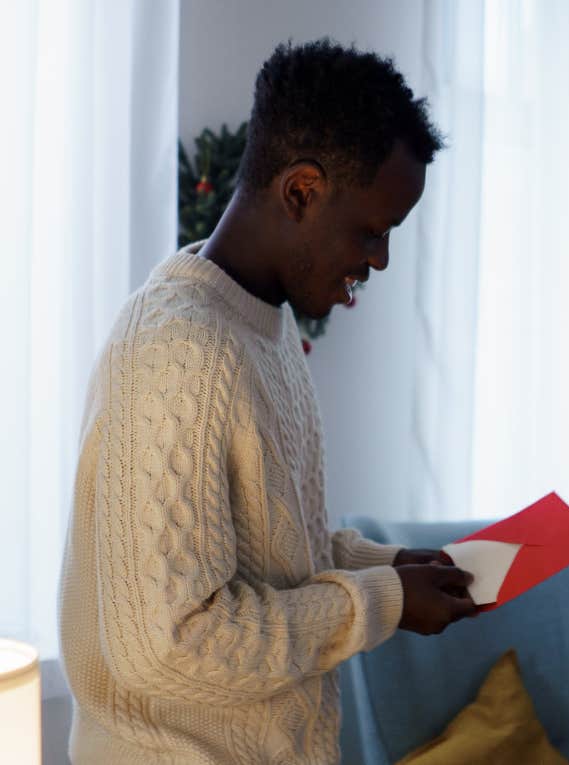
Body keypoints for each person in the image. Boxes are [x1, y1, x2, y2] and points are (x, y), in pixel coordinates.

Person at [58, 39, 477, 764]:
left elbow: (274, 550)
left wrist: (395, 564)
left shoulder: (262, 324)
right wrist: (384, 600)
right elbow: (173, 643)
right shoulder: (181, 351)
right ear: (301, 192)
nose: (379, 260)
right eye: (372, 231)